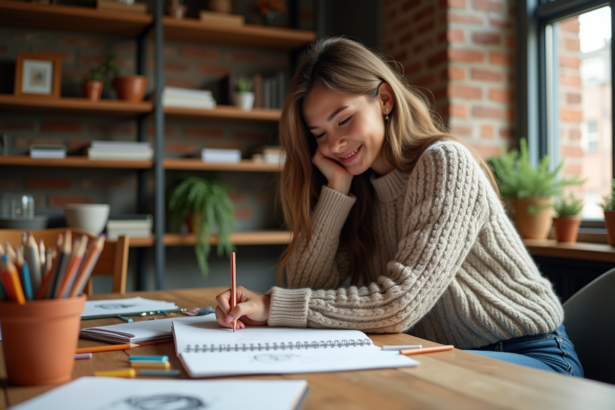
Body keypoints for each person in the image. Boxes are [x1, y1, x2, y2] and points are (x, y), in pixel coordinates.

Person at [214, 37, 583, 376]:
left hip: (534, 356)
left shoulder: (444, 162)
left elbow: (399, 303)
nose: (335, 143)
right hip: (446, 353)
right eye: (320, 135)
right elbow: (307, 284)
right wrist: (336, 190)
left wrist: (275, 306)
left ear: (385, 100)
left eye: (344, 120)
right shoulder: (359, 193)